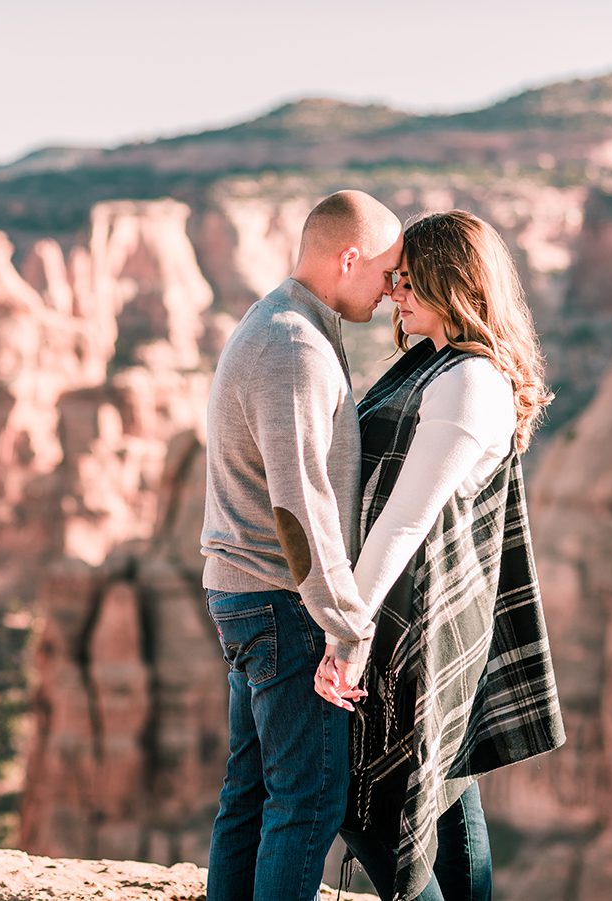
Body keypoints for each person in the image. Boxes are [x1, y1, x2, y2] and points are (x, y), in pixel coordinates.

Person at [314, 210, 567, 901]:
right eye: (393, 278)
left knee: (367, 807)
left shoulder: (466, 383)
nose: (394, 292)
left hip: (410, 630)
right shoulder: (438, 364)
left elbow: (403, 522)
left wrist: (346, 635)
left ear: (452, 281)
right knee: (447, 794)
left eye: (408, 280)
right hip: (410, 613)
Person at [200, 189, 403, 901]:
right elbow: (299, 507)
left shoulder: (283, 324)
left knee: (252, 793)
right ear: (349, 258)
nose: (390, 291)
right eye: (385, 273)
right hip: (282, 604)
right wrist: (345, 624)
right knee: (308, 799)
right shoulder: (293, 346)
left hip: (248, 593)